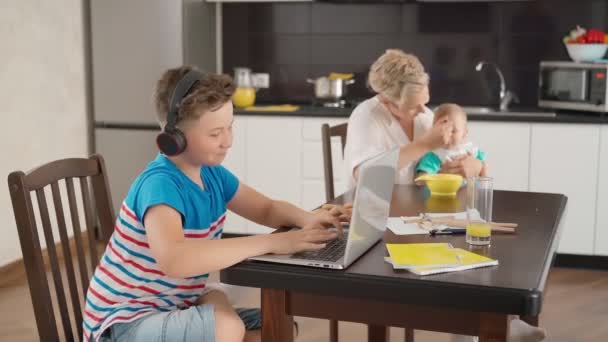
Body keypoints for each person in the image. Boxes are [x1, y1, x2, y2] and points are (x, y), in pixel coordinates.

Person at [82, 66, 349, 342]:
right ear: (176, 138)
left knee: (277, 325)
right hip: (124, 323)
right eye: (215, 134)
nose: (228, 141)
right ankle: (215, 299)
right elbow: (175, 259)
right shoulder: (160, 184)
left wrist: (309, 218)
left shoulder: (212, 175)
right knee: (227, 328)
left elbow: (266, 209)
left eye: (230, 127)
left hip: (173, 306)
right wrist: (274, 243)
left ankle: (214, 299)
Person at [344, 49, 484, 188]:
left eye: (425, 102)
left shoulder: (424, 117)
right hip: (375, 207)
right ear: (386, 101)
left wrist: (475, 165)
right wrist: (423, 144)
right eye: (412, 106)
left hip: (418, 206)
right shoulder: (366, 116)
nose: (423, 110)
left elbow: (442, 159)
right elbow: (365, 176)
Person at [416, 103, 487, 177]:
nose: (447, 135)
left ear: (464, 133)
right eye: (441, 130)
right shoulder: (435, 155)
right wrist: (438, 175)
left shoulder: (471, 150)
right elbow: (421, 178)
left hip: (469, 188)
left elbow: (483, 166)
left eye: (453, 131)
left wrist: (484, 183)